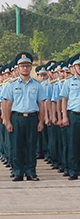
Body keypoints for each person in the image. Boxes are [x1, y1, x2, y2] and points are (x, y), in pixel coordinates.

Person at [2, 52, 47, 181]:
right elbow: (7, 104)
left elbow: (41, 104)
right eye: (22, 66)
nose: (25, 68)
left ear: (31, 67)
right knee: (17, 146)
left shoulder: (37, 85)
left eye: (27, 66)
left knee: (31, 146)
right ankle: (18, 172)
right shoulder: (11, 85)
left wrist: (41, 121)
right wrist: (7, 121)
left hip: (32, 118)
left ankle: (31, 172)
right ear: (18, 68)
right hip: (17, 118)